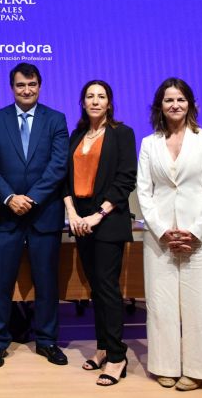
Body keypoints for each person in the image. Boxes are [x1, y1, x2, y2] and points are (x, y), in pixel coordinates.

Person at [137, 78, 202, 391]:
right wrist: (162, 230)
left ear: (190, 104)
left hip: (200, 236)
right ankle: (165, 366)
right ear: (159, 106)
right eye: (168, 100)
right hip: (160, 238)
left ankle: (200, 370)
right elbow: (144, 191)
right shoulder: (149, 144)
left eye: (180, 99)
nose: (174, 105)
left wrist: (195, 230)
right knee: (161, 305)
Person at [0, 62, 69, 368]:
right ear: (12, 88)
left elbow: (58, 165)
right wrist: (9, 198)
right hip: (6, 215)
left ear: (40, 86)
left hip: (43, 214)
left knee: (46, 283)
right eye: (21, 85)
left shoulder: (56, 119)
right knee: (0, 283)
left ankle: (47, 340)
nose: (27, 90)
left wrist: (31, 199)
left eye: (32, 84)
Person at [62, 80, 136, 386]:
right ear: (83, 102)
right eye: (90, 96)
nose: (95, 101)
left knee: (107, 289)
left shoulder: (122, 133)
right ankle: (103, 347)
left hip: (108, 220)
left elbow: (125, 179)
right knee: (95, 288)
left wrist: (98, 215)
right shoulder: (77, 135)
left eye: (101, 96)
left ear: (109, 102)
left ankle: (117, 357)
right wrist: (73, 214)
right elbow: (65, 179)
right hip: (81, 221)